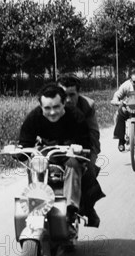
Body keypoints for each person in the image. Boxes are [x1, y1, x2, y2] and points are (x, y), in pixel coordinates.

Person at [18, 84, 104, 229]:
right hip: (47, 153)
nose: (52, 112)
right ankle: (36, 202)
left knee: (74, 164)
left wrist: (79, 147)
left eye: (57, 107)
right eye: (47, 108)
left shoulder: (76, 116)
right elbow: (25, 142)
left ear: (64, 103)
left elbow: (85, 141)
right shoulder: (34, 117)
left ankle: (70, 210)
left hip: (70, 153)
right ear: (41, 106)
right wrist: (19, 151)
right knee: (35, 163)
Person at [57, 75, 100, 166]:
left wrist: (88, 153)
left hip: (82, 146)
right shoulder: (51, 105)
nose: (68, 100)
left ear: (78, 93)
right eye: (64, 95)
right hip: (56, 147)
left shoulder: (87, 105)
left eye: (72, 95)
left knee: (88, 171)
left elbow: (93, 134)